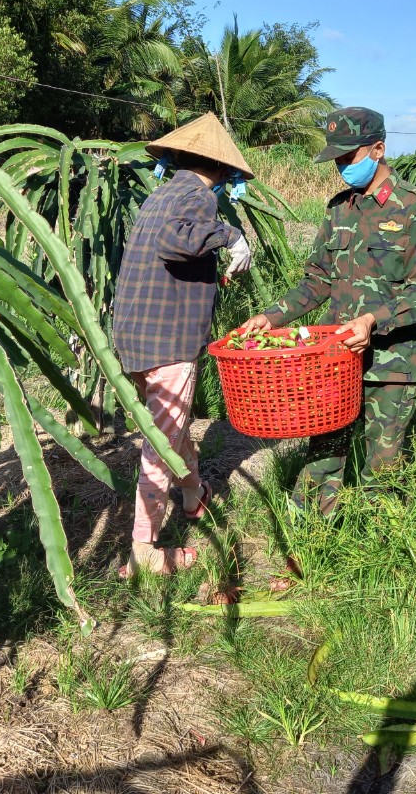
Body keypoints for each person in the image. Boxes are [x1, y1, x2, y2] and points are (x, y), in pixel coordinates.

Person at [237, 107, 416, 516]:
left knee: (381, 468)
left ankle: (377, 557)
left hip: (392, 364)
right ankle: (306, 547)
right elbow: (317, 281)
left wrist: (373, 320)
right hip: (335, 358)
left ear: (378, 149)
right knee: (322, 455)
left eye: (349, 158)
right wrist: (272, 316)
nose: (341, 168)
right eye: (337, 160)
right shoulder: (339, 209)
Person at [112, 112, 254, 575]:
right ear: (221, 168)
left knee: (172, 427)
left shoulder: (161, 194)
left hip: (135, 336)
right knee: (161, 442)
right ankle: (144, 549)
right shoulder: (197, 195)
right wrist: (232, 237)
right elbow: (179, 242)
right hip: (169, 342)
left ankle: (193, 497)